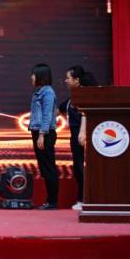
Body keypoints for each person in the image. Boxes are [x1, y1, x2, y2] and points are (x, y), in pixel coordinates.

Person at [59, 65, 98, 210]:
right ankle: (83, 199)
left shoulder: (85, 95)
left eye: (68, 78)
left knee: (83, 168)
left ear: (77, 80)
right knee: (77, 167)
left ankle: (86, 199)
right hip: (75, 136)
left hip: (83, 136)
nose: (66, 81)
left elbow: (85, 114)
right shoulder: (71, 98)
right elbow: (58, 110)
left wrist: (82, 133)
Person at [29, 63, 59, 210]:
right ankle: (50, 200)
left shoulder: (47, 92)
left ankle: (52, 201)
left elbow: (47, 115)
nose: (31, 77)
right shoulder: (40, 91)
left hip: (45, 133)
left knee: (48, 167)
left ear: (41, 76)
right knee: (44, 167)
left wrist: (42, 134)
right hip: (38, 131)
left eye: (34, 75)